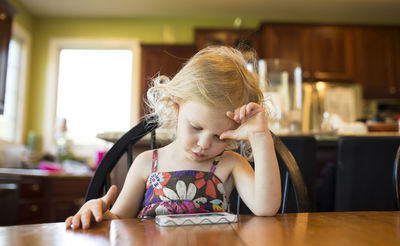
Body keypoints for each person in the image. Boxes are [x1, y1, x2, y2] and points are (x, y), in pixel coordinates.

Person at [65, 46, 281, 230]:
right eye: (196, 127)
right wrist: (96, 212)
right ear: (177, 108)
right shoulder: (147, 163)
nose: (204, 144)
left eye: (220, 136)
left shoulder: (230, 163)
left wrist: (260, 137)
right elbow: (120, 220)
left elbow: (266, 207)